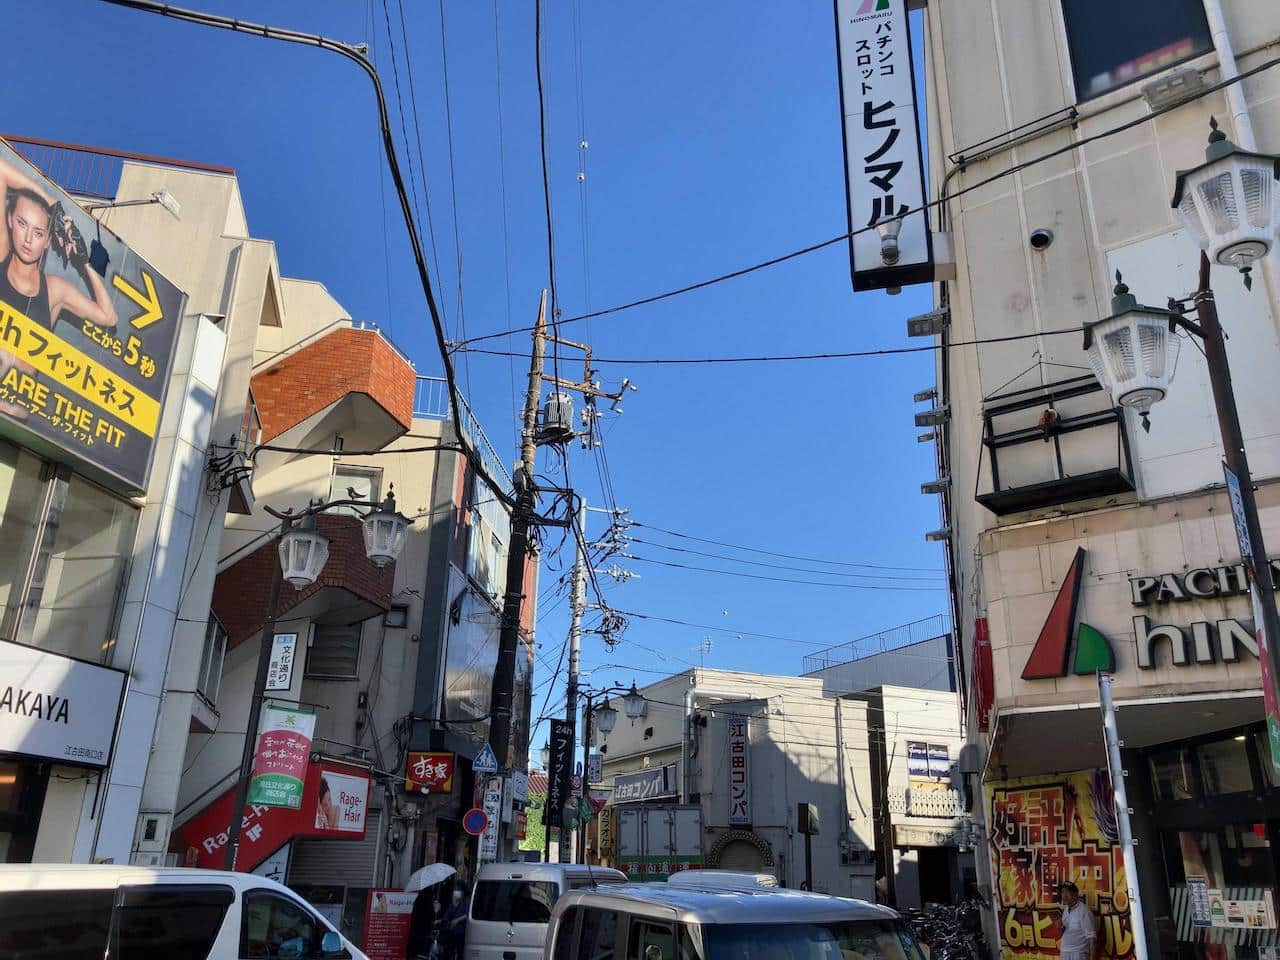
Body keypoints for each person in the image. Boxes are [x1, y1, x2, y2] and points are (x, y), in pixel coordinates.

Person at [0, 154, 117, 332]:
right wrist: (50, 201)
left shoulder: (54, 289)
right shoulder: (2, 253)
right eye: (22, 224)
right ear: (9, 220)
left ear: (47, 241)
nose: (28, 239)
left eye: (38, 233)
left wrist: (83, 260)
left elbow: (108, 317)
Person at [1058, 882, 1096, 960]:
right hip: (1064, 952)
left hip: (1079, 953)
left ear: (1075, 894)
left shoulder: (1084, 911)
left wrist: (1092, 957)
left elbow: (1091, 938)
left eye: (1067, 892)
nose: (1064, 895)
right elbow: (1067, 931)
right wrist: (1060, 926)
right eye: (1063, 892)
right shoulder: (1066, 909)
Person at [438, 888, 468, 960]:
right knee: (448, 952)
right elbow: (446, 917)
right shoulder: (452, 905)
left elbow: (468, 915)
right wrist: (443, 921)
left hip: (461, 932)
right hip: (452, 931)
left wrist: (458, 920)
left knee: (460, 953)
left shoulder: (466, 903)